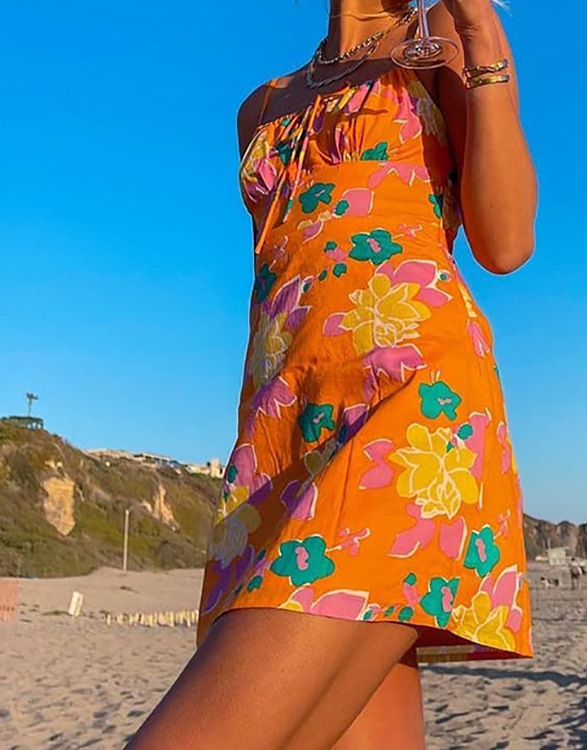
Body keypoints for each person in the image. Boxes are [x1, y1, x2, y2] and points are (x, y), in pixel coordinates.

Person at [127, 1, 536, 748]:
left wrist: (481, 28)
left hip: (412, 415)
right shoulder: (262, 105)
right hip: (282, 435)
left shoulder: (439, 41)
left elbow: (505, 243)